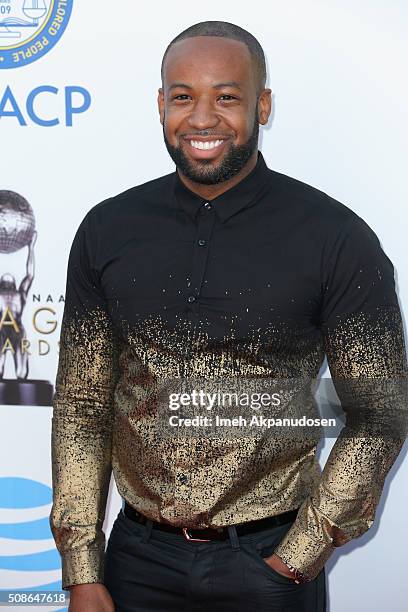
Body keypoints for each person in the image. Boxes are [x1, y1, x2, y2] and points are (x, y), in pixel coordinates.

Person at [50, 20, 407, 612]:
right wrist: (82, 566)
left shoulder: (336, 238)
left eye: (227, 96)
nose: (202, 118)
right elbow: (83, 406)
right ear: (161, 104)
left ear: (262, 106)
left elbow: (379, 413)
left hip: (270, 563)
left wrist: (299, 556)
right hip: (134, 561)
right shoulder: (107, 230)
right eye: (183, 96)